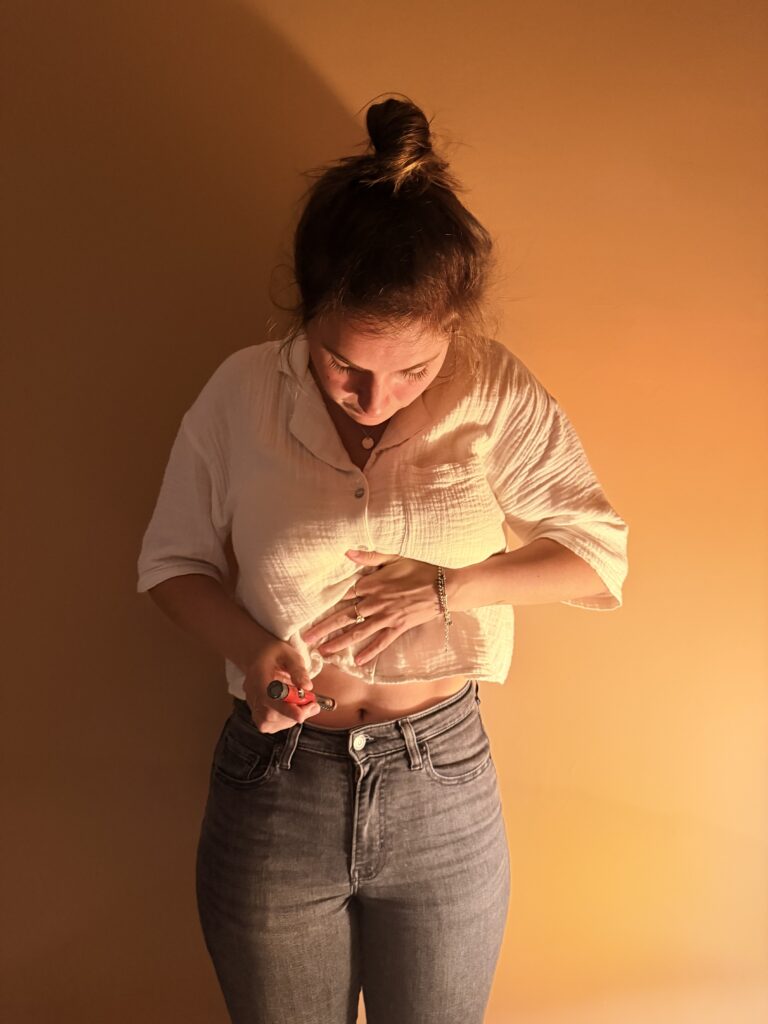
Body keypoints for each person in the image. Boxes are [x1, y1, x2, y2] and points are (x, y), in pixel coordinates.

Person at [136, 95, 629, 1024]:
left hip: (440, 780)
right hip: (275, 790)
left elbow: (598, 558)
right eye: (343, 365)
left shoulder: (494, 393)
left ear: (454, 329)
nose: (374, 395)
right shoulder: (241, 393)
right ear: (307, 312)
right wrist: (256, 650)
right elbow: (171, 563)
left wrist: (452, 585)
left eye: (412, 369)